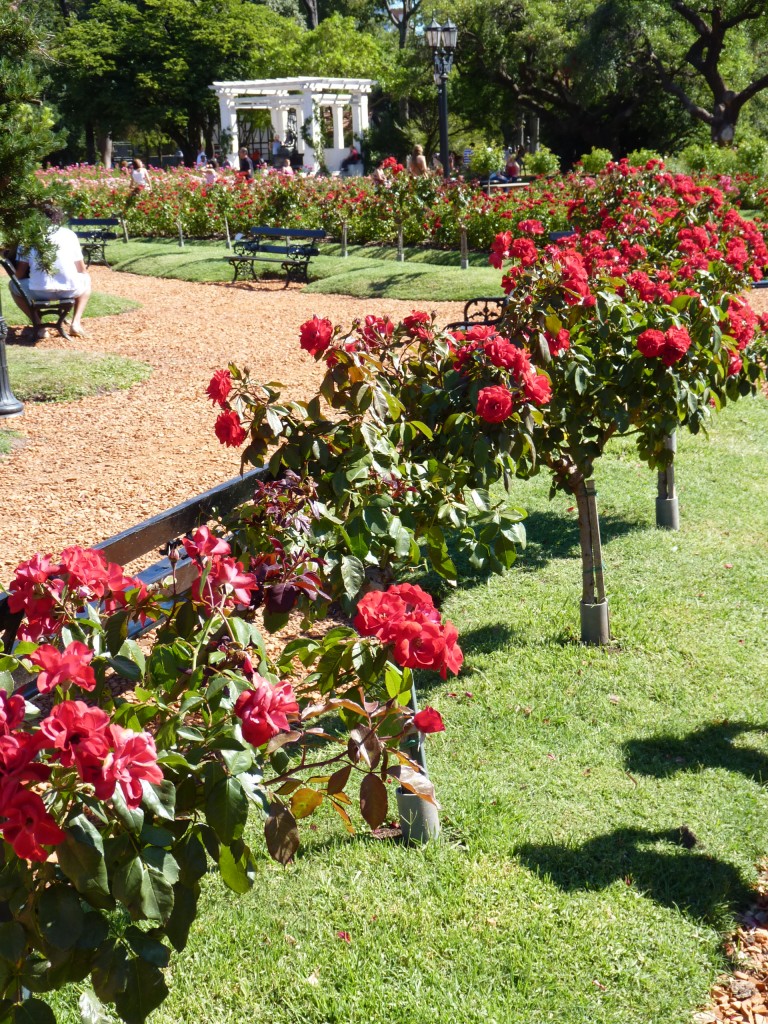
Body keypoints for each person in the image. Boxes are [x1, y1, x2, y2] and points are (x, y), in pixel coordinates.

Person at [10, 203, 92, 341]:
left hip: (39, 291)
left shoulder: (29, 237)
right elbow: (82, 270)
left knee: (13, 286)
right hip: (70, 290)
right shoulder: (69, 235)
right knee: (86, 279)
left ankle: (39, 326)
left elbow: (19, 274)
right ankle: (76, 323)